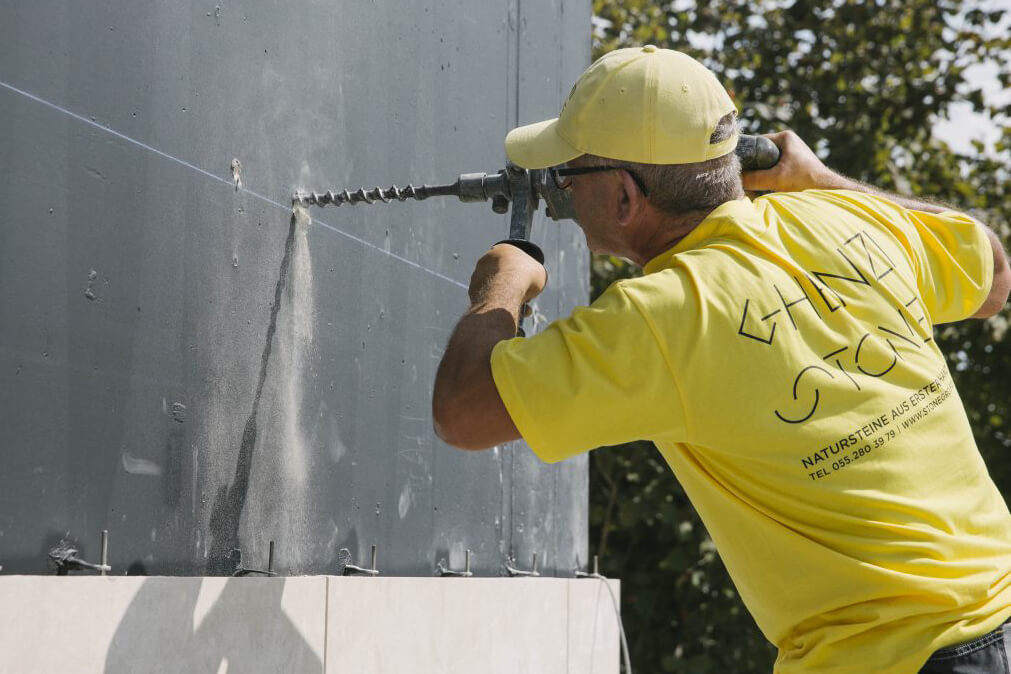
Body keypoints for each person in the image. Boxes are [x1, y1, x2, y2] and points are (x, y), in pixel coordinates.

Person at [432, 45, 1011, 673]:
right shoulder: (844, 218)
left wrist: (502, 283)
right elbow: (994, 276)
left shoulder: (661, 315)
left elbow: (462, 415)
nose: (563, 192)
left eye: (571, 176)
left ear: (625, 196)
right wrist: (824, 182)